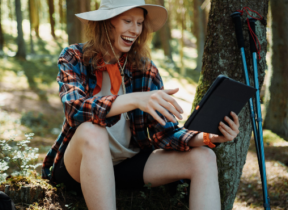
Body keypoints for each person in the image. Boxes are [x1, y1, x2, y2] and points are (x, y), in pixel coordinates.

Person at [42, 0, 240, 209]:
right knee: (93, 130)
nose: (135, 30)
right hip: (77, 167)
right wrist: (136, 99)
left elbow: (164, 134)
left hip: (128, 165)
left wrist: (210, 137)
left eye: (139, 23)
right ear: (107, 22)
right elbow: (75, 109)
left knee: (204, 157)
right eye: (128, 21)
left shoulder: (145, 69)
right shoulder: (74, 56)